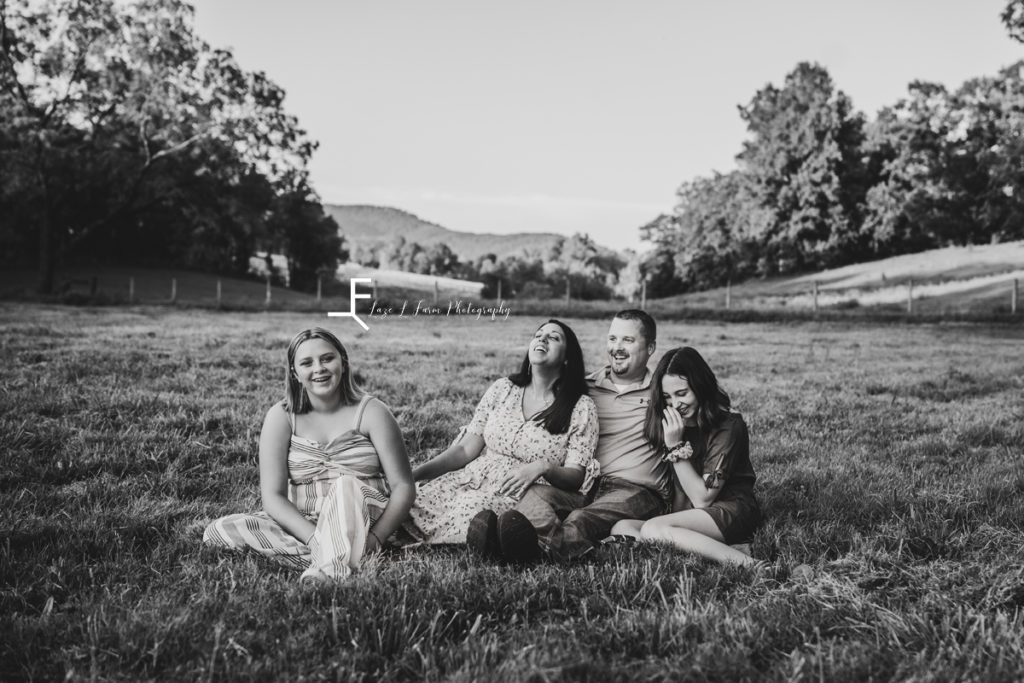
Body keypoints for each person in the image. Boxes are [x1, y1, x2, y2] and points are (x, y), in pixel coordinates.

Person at [203, 327, 415, 581]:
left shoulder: (372, 411)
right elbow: (272, 496)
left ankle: (334, 571)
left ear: (343, 362)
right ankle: (339, 553)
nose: (319, 368)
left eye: (327, 358)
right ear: (295, 372)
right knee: (219, 530)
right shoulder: (281, 417)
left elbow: (403, 486)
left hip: (364, 515)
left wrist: (376, 538)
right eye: (307, 363)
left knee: (345, 485)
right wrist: (315, 537)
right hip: (306, 522)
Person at [400, 320, 598, 555]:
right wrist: (414, 475)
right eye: (538, 335)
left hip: (518, 493)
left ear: (567, 358)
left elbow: (576, 476)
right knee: (410, 501)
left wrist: (543, 467)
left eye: (554, 337)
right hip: (471, 478)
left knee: (473, 509)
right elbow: (464, 450)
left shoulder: (581, 407)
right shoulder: (503, 389)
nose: (542, 339)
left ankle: (454, 543)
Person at [493, 310, 673, 562]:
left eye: (627, 341)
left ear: (651, 347)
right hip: (587, 484)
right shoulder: (584, 389)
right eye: (612, 339)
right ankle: (523, 542)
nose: (617, 348)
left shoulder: (664, 393)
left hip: (635, 489)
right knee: (534, 496)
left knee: (581, 518)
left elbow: (708, 409)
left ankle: (541, 552)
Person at [609, 346, 763, 567]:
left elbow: (703, 498)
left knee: (653, 529)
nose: (675, 404)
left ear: (700, 386)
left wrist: (676, 448)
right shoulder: (674, 426)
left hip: (731, 510)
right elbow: (681, 494)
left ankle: (749, 564)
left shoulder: (729, 426)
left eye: (682, 393)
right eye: (667, 397)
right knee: (623, 527)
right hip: (693, 514)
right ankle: (706, 548)